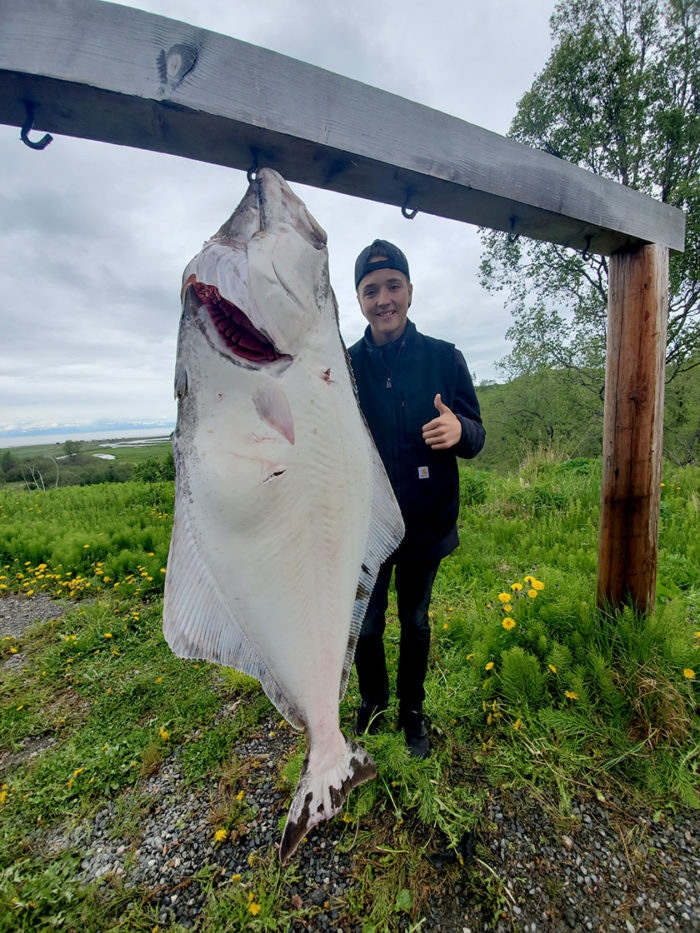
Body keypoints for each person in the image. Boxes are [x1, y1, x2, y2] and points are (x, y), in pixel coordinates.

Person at [348, 239, 485, 758]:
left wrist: (459, 431)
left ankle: (411, 713)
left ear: (409, 290)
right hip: (366, 522)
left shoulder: (445, 359)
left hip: (426, 522)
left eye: (393, 286)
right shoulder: (345, 366)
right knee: (366, 620)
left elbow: (476, 433)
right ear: (359, 299)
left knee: (416, 621)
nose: (383, 299)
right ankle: (373, 705)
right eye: (371, 290)